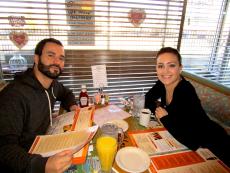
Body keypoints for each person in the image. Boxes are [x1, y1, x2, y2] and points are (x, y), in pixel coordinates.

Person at [0, 38, 78, 173]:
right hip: (27, 164)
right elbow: (5, 148)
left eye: (61, 58)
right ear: (36, 58)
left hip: (47, 145)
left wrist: (73, 107)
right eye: (50, 55)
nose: (56, 62)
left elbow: (66, 94)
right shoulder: (14, 95)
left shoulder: (52, 84)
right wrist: (43, 166)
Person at [145, 47, 230, 167]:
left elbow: (192, 141)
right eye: (160, 66)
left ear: (180, 68)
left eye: (171, 65)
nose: (165, 71)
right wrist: (158, 111)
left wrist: (165, 119)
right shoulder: (162, 83)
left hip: (213, 144)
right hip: (186, 139)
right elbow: (148, 98)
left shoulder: (185, 91)